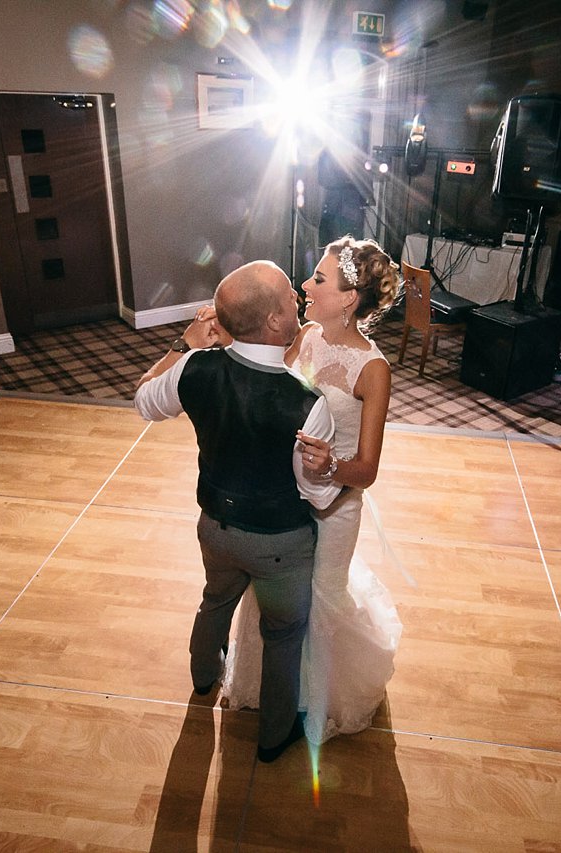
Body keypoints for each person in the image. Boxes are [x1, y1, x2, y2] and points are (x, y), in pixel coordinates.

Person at [134, 260, 342, 764]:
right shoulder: (308, 405)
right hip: (280, 547)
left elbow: (144, 401)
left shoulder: (193, 368)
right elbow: (317, 496)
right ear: (273, 321)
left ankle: (203, 678)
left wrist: (185, 343)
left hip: (216, 529)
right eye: (291, 298)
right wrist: (337, 476)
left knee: (215, 601)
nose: (298, 299)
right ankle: (272, 738)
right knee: (284, 635)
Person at [222, 236, 404, 746]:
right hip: (283, 499)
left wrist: (331, 465)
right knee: (275, 597)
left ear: (349, 298)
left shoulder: (373, 370)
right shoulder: (303, 337)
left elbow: (367, 469)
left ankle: (315, 702)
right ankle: (271, 687)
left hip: (334, 510)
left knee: (321, 602)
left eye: (319, 279)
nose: (305, 284)